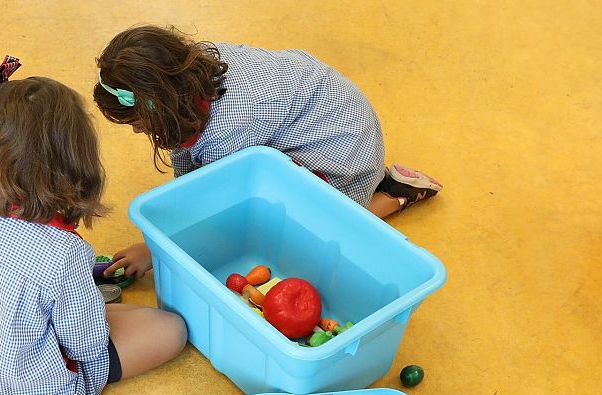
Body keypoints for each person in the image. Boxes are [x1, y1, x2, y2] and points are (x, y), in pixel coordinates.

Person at [0, 56, 186, 395]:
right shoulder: (63, 252)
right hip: (25, 394)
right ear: (73, 162)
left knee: (91, 309)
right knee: (170, 328)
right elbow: (86, 344)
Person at [93, 26, 442, 278]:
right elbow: (188, 159)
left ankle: (389, 197)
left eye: (138, 122)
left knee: (300, 244)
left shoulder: (231, 128)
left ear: (162, 106)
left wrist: (155, 250)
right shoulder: (189, 72)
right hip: (332, 123)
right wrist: (177, 211)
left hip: (344, 159)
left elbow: (222, 208)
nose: (137, 130)